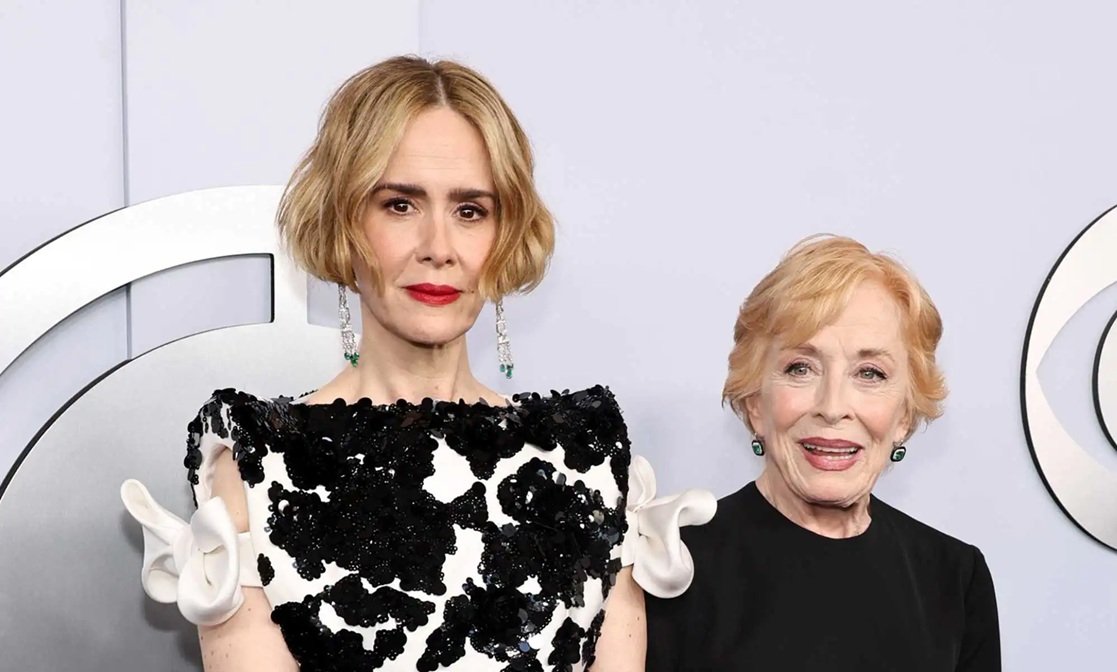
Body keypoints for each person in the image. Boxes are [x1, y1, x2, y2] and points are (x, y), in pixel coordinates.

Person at [120, 56, 715, 671]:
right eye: (400, 205)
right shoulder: (259, 459)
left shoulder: (585, 457)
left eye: (470, 211)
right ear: (344, 222)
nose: (438, 248)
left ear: (506, 235)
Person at [645, 235, 1001, 671]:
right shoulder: (669, 567)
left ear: (905, 414)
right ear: (755, 402)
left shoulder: (954, 578)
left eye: (870, 373)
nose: (832, 407)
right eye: (801, 368)